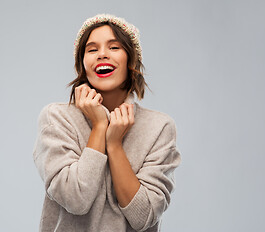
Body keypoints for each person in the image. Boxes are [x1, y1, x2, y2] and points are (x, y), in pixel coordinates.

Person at [33, 14, 181, 232]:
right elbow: (76, 199)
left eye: (114, 47)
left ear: (131, 60)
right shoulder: (56, 118)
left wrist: (114, 144)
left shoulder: (159, 128)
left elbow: (143, 217)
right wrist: (100, 127)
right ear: (82, 65)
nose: (102, 54)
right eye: (92, 50)